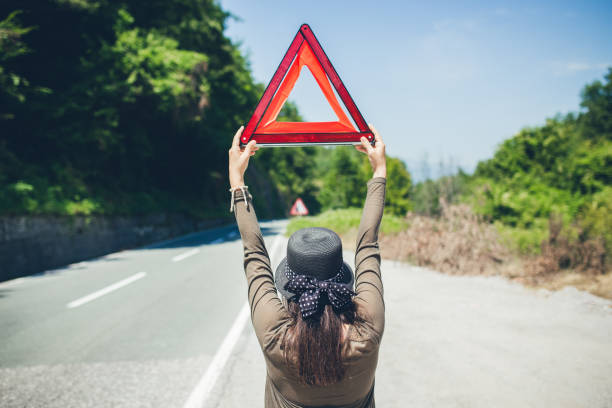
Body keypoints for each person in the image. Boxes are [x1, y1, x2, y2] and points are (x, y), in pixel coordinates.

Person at [228, 125, 386, 408]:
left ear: (291, 286)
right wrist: (379, 172)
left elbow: (255, 256)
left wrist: (237, 181)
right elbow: (368, 247)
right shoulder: (367, 330)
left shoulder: (275, 336)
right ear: (341, 282)